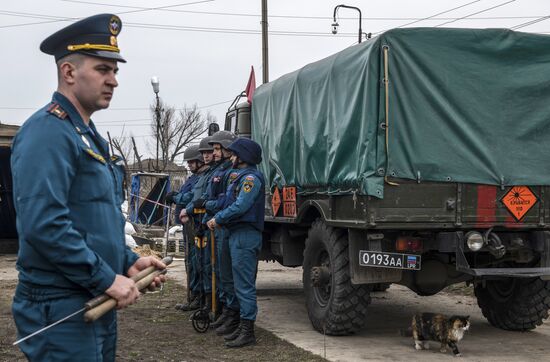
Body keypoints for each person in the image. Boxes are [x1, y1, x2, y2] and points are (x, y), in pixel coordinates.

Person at [10, 14, 165, 361]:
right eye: (102, 70)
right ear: (68, 72)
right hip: (62, 305)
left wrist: (126, 263)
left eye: (115, 71)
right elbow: (44, 224)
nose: (113, 81)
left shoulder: (87, 136)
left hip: (92, 296)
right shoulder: (48, 133)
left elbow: (96, 221)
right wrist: (104, 277)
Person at [207, 138, 265, 348]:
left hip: (245, 234)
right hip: (236, 233)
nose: (230, 157)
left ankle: (247, 331)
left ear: (243, 156)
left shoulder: (251, 178)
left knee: (244, 285)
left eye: (234, 154)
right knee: (233, 281)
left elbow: (241, 206)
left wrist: (219, 218)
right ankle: (239, 324)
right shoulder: (239, 177)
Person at [199, 131, 240, 336]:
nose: (213, 153)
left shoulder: (229, 172)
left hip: (223, 224)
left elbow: (225, 201)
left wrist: (208, 204)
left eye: (216, 149)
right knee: (220, 272)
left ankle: (232, 314)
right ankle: (225, 309)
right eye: (213, 149)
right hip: (216, 224)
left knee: (227, 273)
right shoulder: (217, 170)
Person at [165, 145, 202, 310]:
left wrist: (176, 197)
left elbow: (190, 197)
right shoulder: (193, 177)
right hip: (187, 225)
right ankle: (193, 296)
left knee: (195, 262)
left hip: (193, 224)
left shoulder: (201, 178)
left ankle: (197, 298)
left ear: (199, 161)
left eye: (191, 162)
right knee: (190, 262)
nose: (189, 165)